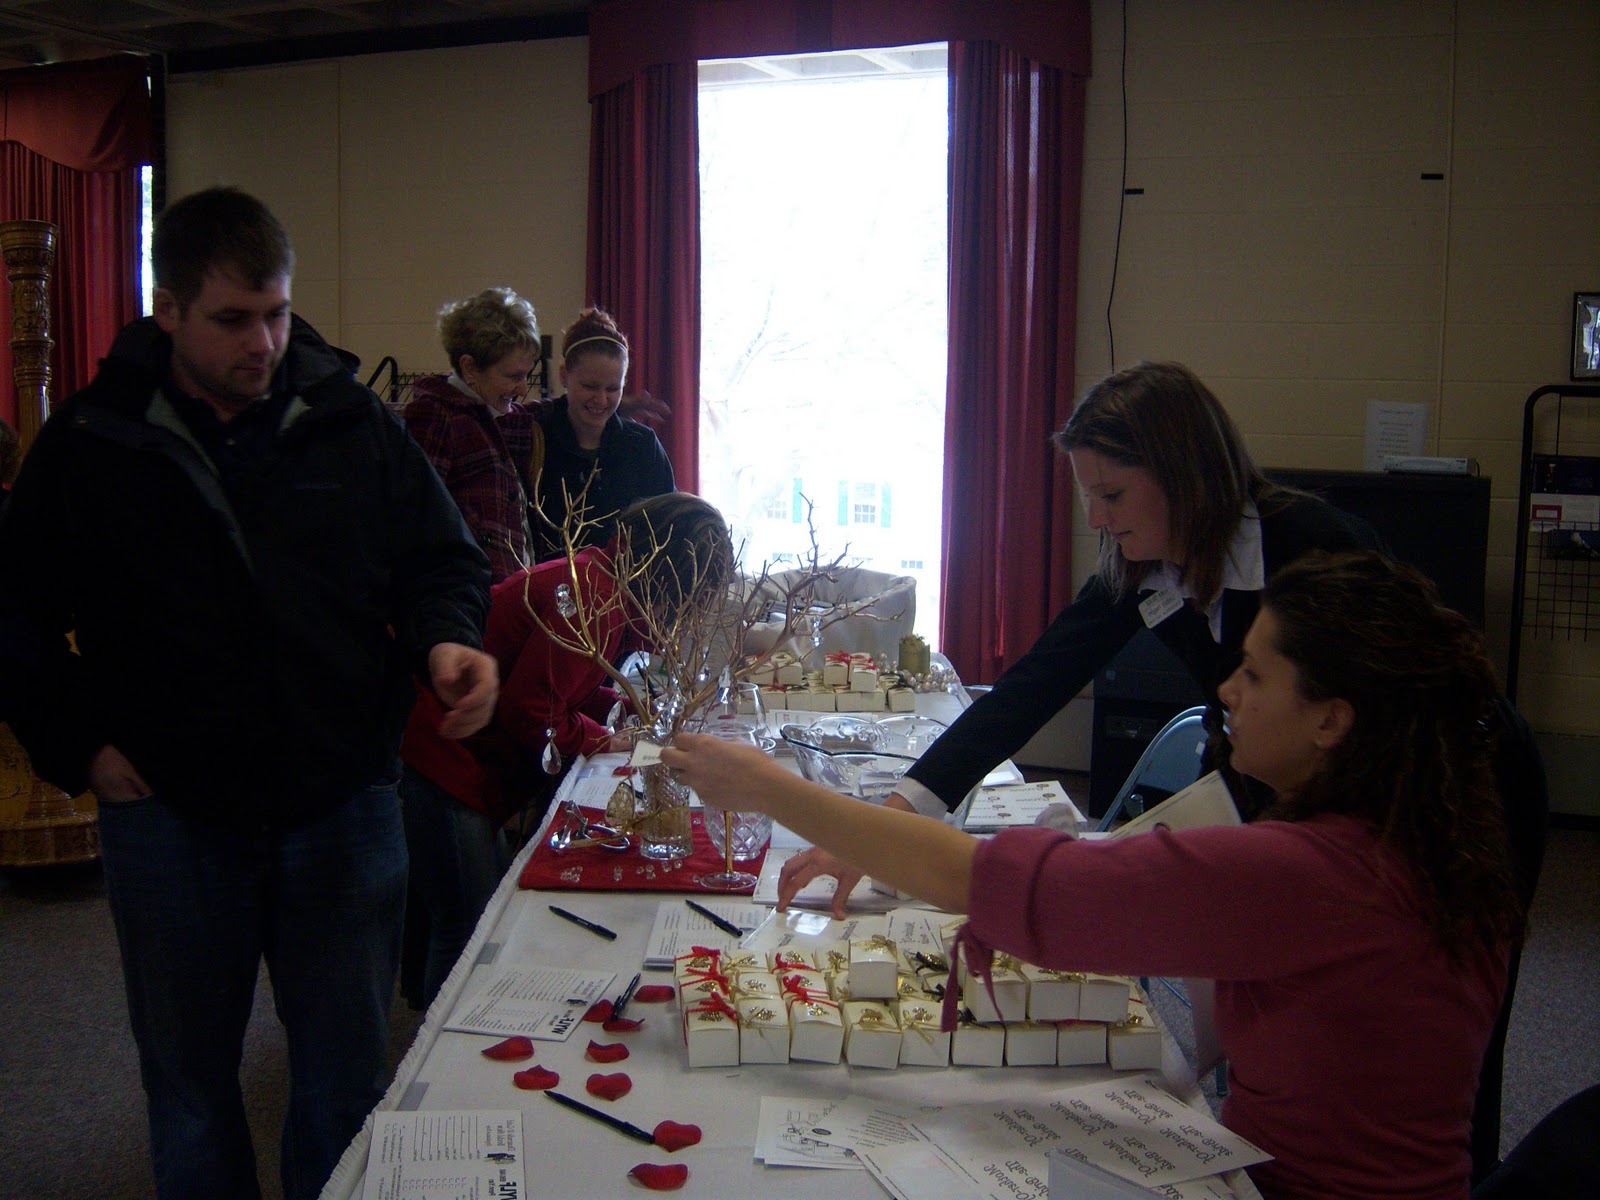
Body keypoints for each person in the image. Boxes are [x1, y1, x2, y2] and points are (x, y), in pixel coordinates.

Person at [665, 550, 1524, 1198]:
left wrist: (769, 788)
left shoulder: (1312, 873)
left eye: (1256, 675)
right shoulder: (1432, 839)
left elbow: (1002, 881)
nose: (1226, 689)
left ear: (1333, 720)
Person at [0, 187, 499, 1200]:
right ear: (167, 310)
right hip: (171, 817)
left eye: (276, 312)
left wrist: (449, 643)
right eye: (232, 319)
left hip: (342, 806)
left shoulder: (351, 420)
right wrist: (76, 743)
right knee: (189, 1094)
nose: (264, 341)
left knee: (342, 1090)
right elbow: (10, 616)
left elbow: (440, 561)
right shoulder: (94, 442)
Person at [781, 360, 1383, 916]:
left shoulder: (1316, 551)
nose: (1095, 519)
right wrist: (881, 835)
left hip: (1355, 830)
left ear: (1186, 477)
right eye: (1088, 497)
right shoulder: (1147, 564)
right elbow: (1030, 689)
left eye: (1112, 495)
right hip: (1254, 813)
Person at [399, 491, 733, 1007]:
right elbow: (532, 709)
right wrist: (604, 737)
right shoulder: (595, 597)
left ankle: (429, 1008)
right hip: (446, 757)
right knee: (468, 922)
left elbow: (560, 683)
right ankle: (436, 1036)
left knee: (455, 911)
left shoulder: (598, 578)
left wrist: (614, 705)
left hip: (456, 748)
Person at [402, 290, 671, 582]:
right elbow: (411, 522)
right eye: (513, 377)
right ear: (469, 368)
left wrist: (612, 408)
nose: (521, 388)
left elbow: (549, 411)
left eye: (612, 388)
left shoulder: (501, 418)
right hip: (465, 595)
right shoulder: (436, 417)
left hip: (506, 594)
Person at [528, 307, 675, 562]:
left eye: (612, 389)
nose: (601, 399)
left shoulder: (642, 446)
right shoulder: (534, 436)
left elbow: (669, 527)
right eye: (590, 386)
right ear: (564, 376)